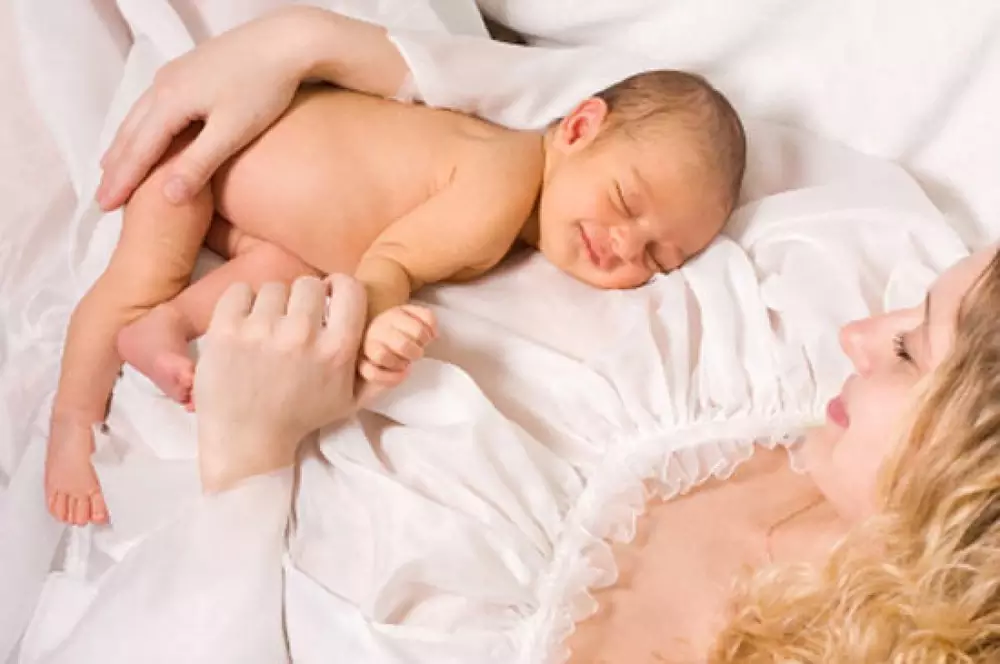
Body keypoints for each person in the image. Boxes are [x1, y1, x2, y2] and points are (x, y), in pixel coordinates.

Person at [46, 8, 746, 526]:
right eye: (625, 201)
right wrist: (376, 326)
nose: (624, 244)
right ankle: (72, 422)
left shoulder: (512, 203)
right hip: (204, 163)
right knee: (130, 284)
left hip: (274, 225)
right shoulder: (502, 183)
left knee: (284, 273)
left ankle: (164, 325)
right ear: (579, 129)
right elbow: (391, 262)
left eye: (658, 257)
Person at [180, 243, 1000, 662]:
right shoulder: (796, 297)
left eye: (909, 352)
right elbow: (615, 129)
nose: (857, 332)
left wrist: (243, 456)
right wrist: (359, 54)